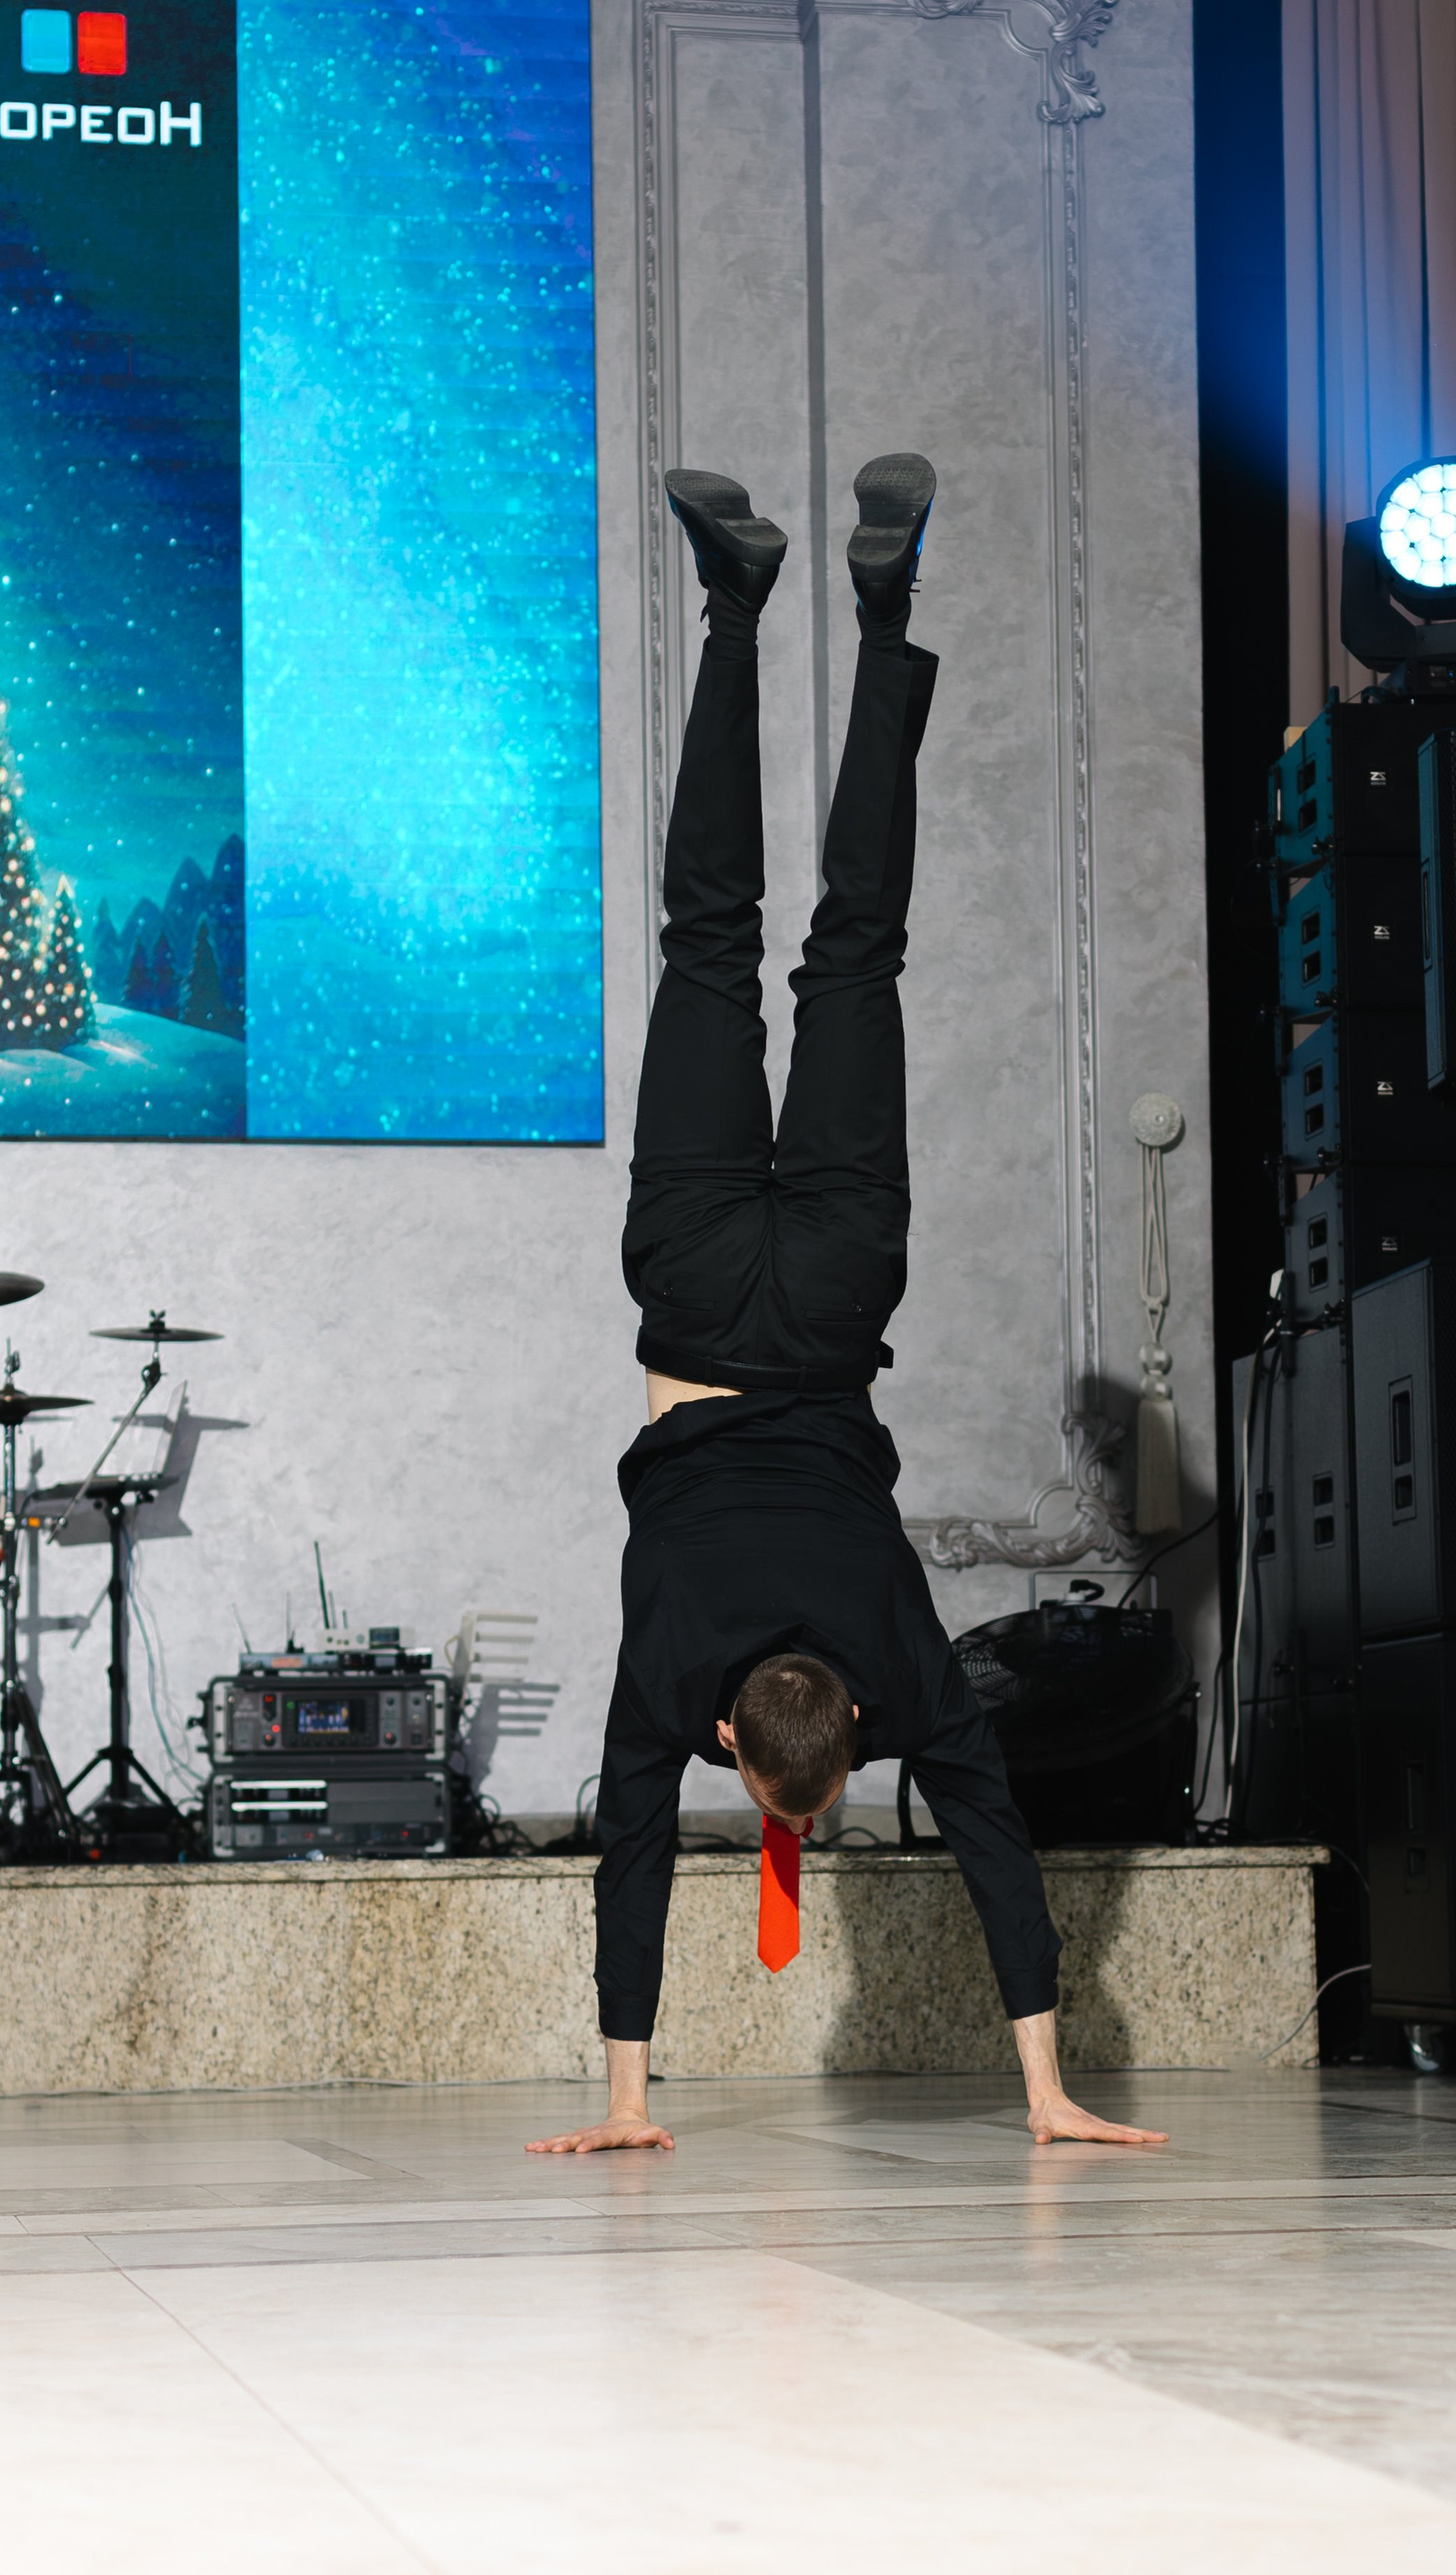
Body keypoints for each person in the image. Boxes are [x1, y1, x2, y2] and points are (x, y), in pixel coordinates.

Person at [528, 459, 1166, 2157]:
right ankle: (737, 604)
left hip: (829, 1299)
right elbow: (630, 1860)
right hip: (691, 1296)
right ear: (746, 1735)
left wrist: (1051, 2086)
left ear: (841, 1721)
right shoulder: (675, 1684)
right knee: (711, 946)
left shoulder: (900, 1665)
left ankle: (884, 618)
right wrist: (624, 2099)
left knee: (856, 952)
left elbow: (996, 1846)